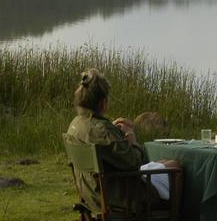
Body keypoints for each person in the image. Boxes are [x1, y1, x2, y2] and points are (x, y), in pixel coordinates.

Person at [64, 68, 178, 207]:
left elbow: (102, 140)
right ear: (103, 102)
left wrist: (113, 131)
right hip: (120, 197)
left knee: (165, 162)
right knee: (175, 168)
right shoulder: (104, 131)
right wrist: (130, 136)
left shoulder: (76, 124)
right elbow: (136, 163)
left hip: (92, 194)